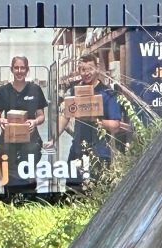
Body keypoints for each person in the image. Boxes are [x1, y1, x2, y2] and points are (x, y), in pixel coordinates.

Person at [51, 53, 121, 189]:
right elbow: (66, 116)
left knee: (98, 190)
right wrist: (53, 138)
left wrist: (95, 120)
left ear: (97, 69)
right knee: (72, 190)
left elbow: (116, 126)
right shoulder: (74, 92)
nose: (86, 73)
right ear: (79, 71)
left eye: (90, 68)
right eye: (83, 69)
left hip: (100, 153)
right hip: (77, 149)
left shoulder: (108, 93)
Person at [0, 55, 48, 194]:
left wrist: (34, 121)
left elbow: (41, 116)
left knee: (28, 173)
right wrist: (0, 121)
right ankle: (9, 197)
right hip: (8, 138)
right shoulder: (3, 91)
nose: (19, 71)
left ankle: (29, 199)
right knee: (8, 171)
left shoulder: (35, 89)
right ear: (12, 69)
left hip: (30, 138)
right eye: (16, 67)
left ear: (27, 70)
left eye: (22, 68)